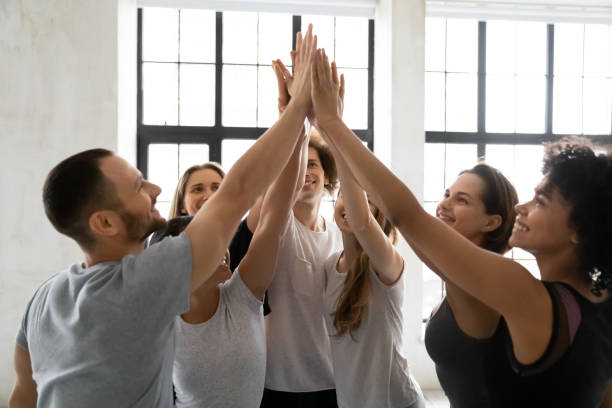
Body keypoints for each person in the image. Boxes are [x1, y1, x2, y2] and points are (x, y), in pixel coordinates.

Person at [8, 25, 318, 408]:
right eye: (138, 186)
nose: (155, 188)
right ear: (105, 223)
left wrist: (296, 123)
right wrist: (298, 108)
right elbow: (238, 190)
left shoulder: (45, 297)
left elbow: (24, 393)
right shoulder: (142, 284)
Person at [310, 48, 612, 407]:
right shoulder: (600, 305)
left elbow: (408, 216)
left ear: (581, 229)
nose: (522, 206)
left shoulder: (529, 295)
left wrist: (332, 124)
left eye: (541, 201)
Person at [152, 134, 308, 408]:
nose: (222, 250)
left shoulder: (242, 295)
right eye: (206, 245)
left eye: (221, 241)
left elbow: (276, 212)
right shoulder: (160, 319)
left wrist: (299, 128)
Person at [321, 89, 425, 406]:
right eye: (346, 196)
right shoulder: (329, 265)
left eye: (368, 200)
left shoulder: (388, 263)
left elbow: (362, 222)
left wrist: (330, 126)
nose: (351, 205)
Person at [255, 57, 342, 407]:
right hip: (279, 382)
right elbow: (278, 185)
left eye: (314, 164)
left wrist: (331, 120)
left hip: (334, 377)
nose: (306, 172)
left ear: (327, 177)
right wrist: (291, 116)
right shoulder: (275, 222)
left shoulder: (338, 230)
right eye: (299, 164)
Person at [423, 164, 518, 407]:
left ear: (491, 222)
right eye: (447, 195)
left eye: (461, 200)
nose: (444, 205)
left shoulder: (484, 285)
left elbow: (403, 216)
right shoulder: (458, 275)